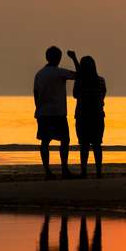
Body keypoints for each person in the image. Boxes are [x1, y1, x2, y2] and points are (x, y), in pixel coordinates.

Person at [34, 46, 79, 180]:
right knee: (65, 140)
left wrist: (40, 108)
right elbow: (79, 75)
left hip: (43, 112)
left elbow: (36, 94)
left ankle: (48, 172)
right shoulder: (59, 72)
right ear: (58, 58)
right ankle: (64, 170)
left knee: (45, 142)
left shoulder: (39, 74)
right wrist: (74, 58)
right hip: (57, 113)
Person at [73, 56, 106, 178]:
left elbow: (75, 95)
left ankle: (84, 172)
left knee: (84, 146)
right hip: (97, 117)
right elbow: (102, 95)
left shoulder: (80, 81)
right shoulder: (101, 81)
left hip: (83, 117)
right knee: (97, 145)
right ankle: (98, 172)